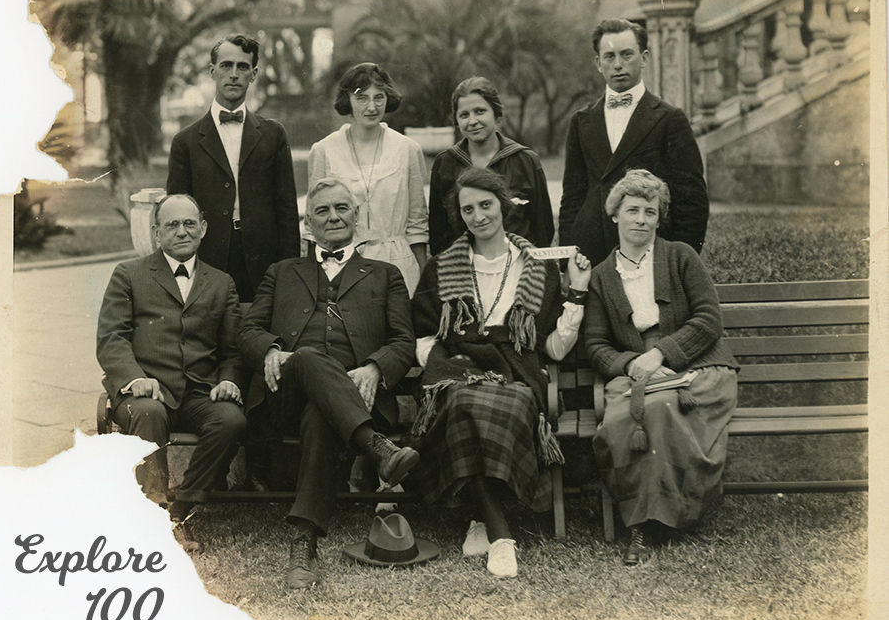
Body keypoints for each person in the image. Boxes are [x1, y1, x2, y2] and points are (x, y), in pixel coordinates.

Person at [410, 168, 592, 578]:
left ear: (503, 205)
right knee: (461, 399)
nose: (479, 216)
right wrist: (442, 365)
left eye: (486, 205)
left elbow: (553, 348)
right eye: (468, 209)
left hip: (517, 372)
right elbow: (423, 334)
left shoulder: (537, 267)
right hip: (457, 370)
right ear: (459, 215)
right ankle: (501, 535)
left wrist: (577, 291)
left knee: (501, 401)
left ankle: (479, 518)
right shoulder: (441, 266)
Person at [238, 177, 418, 589]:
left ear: (357, 215)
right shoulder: (281, 272)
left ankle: (304, 546)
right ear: (308, 224)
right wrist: (270, 350)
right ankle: (376, 447)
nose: (333, 217)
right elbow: (247, 330)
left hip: (356, 396)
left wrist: (374, 368)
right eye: (322, 210)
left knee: (321, 415)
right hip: (284, 396)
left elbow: (403, 342)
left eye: (341, 208)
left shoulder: (386, 275)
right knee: (305, 356)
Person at [584, 169, 738, 566]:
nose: (641, 220)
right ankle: (646, 518)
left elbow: (708, 320)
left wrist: (661, 355)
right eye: (632, 210)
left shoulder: (680, 256)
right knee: (629, 416)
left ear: (658, 218)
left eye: (650, 212)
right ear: (614, 215)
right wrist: (634, 363)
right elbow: (596, 345)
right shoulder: (601, 277)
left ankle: (651, 524)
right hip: (636, 373)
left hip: (699, 368)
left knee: (660, 407)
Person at [96, 194, 247, 543]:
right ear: (157, 233)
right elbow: (111, 339)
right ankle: (154, 514)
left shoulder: (221, 283)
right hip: (145, 391)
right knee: (149, 413)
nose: (182, 231)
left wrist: (228, 381)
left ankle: (182, 509)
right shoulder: (129, 274)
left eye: (189, 223)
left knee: (231, 420)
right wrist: (135, 378)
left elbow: (231, 351)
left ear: (203, 229)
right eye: (172, 225)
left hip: (198, 393)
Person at [558, 18, 709, 267]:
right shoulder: (581, 121)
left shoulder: (669, 119)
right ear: (598, 63)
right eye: (609, 56)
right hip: (591, 256)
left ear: (644, 58)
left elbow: (692, 201)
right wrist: (568, 261)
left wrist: (678, 262)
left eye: (627, 54)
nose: (618, 64)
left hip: (650, 253)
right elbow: (572, 198)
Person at [167, 33, 300, 302]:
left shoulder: (273, 134)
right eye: (226, 66)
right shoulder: (185, 141)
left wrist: (289, 272)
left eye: (243, 67)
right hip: (208, 259)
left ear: (254, 74)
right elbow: (176, 212)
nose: (234, 74)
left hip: (263, 260)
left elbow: (287, 211)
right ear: (212, 72)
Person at [307, 62, 428, 295]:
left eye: (379, 97)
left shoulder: (408, 149)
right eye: (362, 98)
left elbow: (417, 225)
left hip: (399, 267)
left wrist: (424, 285)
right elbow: (314, 226)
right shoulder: (323, 150)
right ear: (348, 100)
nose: (372, 107)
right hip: (342, 267)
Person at [428, 76, 554, 255]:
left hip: (518, 263)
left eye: (480, 111)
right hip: (462, 265)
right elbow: (438, 232)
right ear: (456, 121)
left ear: (497, 117)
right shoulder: (445, 163)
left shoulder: (525, 160)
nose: (472, 121)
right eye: (464, 115)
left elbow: (543, 228)